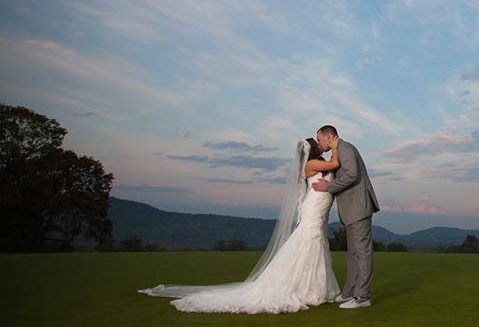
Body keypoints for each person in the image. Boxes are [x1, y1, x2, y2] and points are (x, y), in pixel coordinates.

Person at [137, 137, 341, 313]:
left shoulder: (315, 163)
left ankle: (313, 287)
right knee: (308, 241)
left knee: (314, 244)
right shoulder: (311, 164)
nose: (322, 145)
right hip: (313, 209)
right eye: (319, 143)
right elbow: (335, 163)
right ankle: (304, 289)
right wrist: (336, 144)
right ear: (312, 150)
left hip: (317, 208)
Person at [311, 125, 379, 309]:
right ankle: (349, 292)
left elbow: (352, 174)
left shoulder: (345, 148)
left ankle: (363, 297)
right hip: (350, 209)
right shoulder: (337, 151)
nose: (319, 143)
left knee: (362, 252)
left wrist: (328, 187)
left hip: (358, 207)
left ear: (328, 137)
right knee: (353, 253)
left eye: (319, 139)